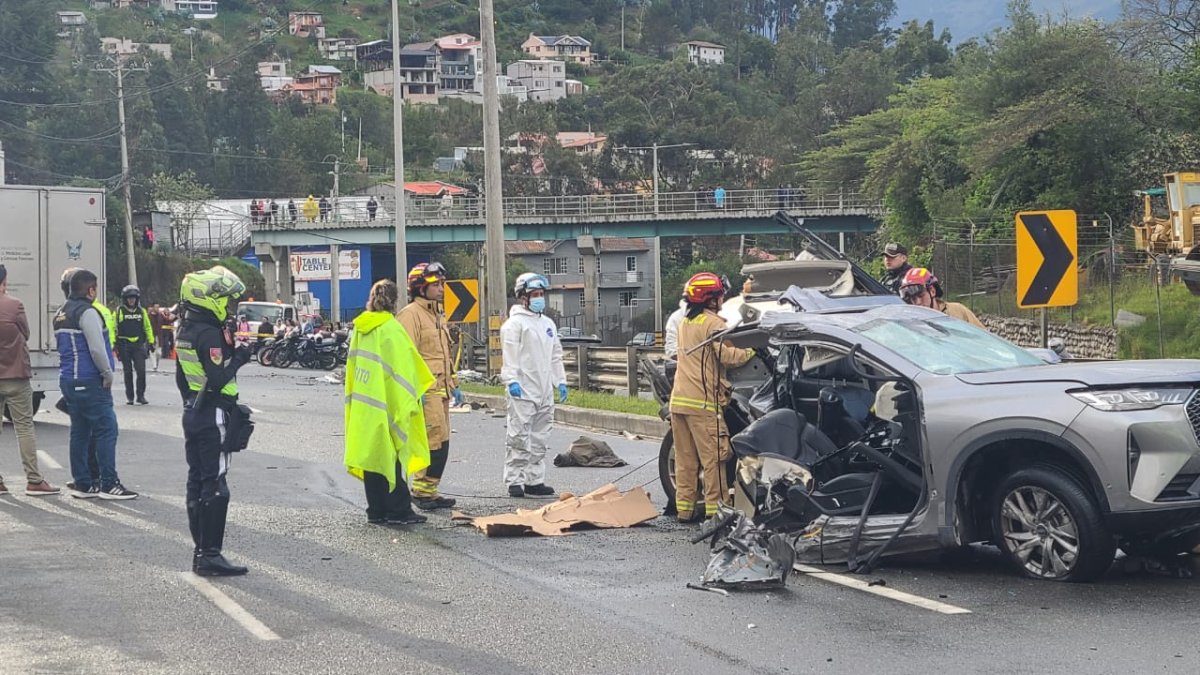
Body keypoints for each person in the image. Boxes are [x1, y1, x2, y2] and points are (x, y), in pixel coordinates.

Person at [175, 266, 253, 576]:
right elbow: (219, 377)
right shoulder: (208, 333)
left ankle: (201, 551)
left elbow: (183, 378)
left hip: (193, 411)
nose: (229, 306)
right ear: (210, 299)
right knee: (216, 485)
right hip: (214, 411)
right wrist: (241, 357)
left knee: (197, 480)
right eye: (226, 299)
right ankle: (210, 554)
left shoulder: (185, 328)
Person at [344, 279, 434, 525]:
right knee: (391, 456)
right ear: (395, 302)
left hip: (364, 404)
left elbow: (353, 367)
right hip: (387, 404)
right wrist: (415, 395)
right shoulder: (392, 329)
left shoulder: (360, 328)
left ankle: (376, 511)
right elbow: (406, 368)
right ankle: (399, 510)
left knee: (373, 458)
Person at [670, 272, 754, 523]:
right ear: (709, 300)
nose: (722, 298)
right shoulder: (713, 324)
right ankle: (717, 513)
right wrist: (753, 348)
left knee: (685, 461)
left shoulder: (686, 322)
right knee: (715, 459)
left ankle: (684, 510)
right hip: (703, 403)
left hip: (679, 401)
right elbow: (729, 356)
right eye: (719, 295)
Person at [54, 269, 136, 500]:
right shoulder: (87, 312)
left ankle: (83, 483)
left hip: (69, 380)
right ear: (91, 290)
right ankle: (109, 484)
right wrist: (107, 374)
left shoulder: (61, 313)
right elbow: (97, 348)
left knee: (80, 431)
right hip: (90, 381)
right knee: (107, 429)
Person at [398, 262, 458, 511]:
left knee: (443, 441)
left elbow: (442, 352)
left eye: (442, 283)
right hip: (426, 390)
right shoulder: (411, 314)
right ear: (420, 287)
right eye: (436, 284)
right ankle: (421, 490)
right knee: (432, 441)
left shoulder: (437, 314)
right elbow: (405, 355)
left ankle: (430, 489)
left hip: (441, 388)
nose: (441, 288)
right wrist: (413, 391)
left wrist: (453, 383)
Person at [500, 272, 567, 498]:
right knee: (518, 436)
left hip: (544, 389)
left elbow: (555, 355)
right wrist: (511, 381)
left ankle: (534, 480)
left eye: (541, 294)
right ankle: (514, 480)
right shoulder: (514, 324)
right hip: (523, 388)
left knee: (540, 437)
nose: (540, 298)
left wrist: (561, 381)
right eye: (535, 294)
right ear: (523, 297)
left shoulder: (547, 324)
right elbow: (509, 355)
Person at [0, 265, 60, 496]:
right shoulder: (14, 305)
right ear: (4, 282)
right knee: (23, 427)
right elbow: (25, 334)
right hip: (15, 376)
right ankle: (34, 480)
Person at [898, 267, 985, 328]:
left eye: (921, 296)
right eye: (912, 299)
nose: (917, 302)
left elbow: (984, 337)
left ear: (932, 291)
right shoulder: (911, 325)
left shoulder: (958, 311)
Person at [115, 285, 155, 405]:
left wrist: (151, 341)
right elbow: (113, 328)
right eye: (129, 298)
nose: (131, 300)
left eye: (133, 298)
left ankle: (140, 395)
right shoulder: (119, 311)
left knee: (141, 371)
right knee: (127, 372)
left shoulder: (141, 312)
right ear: (125, 299)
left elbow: (147, 327)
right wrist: (113, 343)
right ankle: (130, 397)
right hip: (124, 345)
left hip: (138, 345)